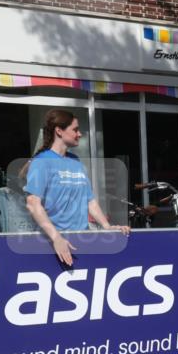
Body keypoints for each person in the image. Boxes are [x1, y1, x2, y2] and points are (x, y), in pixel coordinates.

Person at [24, 109, 129, 266]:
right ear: (59, 131)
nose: (79, 134)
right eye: (75, 129)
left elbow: (90, 201)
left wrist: (107, 226)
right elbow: (32, 204)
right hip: (53, 245)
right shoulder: (42, 162)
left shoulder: (76, 161)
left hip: (81, 240)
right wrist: (56, 238)